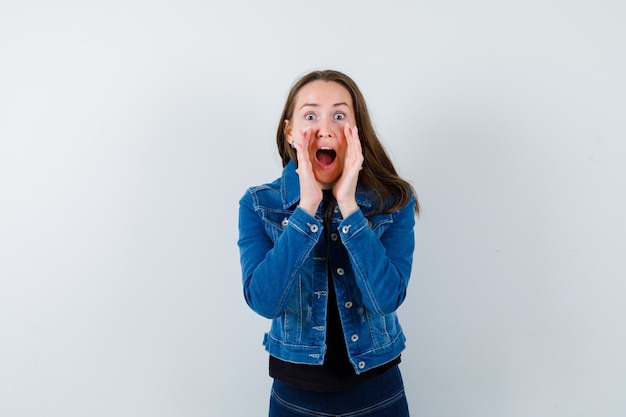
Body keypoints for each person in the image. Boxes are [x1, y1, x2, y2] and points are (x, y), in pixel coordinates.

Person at [238, 69, 419, 417]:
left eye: (339, 115)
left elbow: (386, 300)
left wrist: (350, 208)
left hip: (379, 395)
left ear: (356, 131)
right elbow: (264, 302)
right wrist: (306, 209)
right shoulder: (259, 204)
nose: (325, 127)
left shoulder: (394, 200)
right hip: (295, 400)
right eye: (310, 115)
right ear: (290, 130)